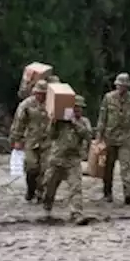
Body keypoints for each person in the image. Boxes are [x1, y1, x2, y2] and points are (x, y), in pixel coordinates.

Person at [43, 94, 92, 223]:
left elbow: (87, 136)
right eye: (75, 107)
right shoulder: (61, 121)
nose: (77, 110)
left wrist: (75, 123)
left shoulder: (84, 122)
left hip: (73, 160)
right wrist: (52, 123)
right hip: (57, 158)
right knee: (49, 185)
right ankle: (47, 205)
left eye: (80, 108)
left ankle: (76, 213)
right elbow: (50, 135)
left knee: (76, 187)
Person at [97, 72, 130, 204]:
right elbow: (102, 117)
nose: (121, 88)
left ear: (127, 87)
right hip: (109, 137)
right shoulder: (108, 98)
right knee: (107, 167)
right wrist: (99, 135)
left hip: (125, 137)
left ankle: (128, 194)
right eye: (119, 85)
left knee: (125, 166)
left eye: (123, 86)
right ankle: (107, 193)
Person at [10, 79, 51, 203]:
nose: (41, 96)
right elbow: (19, 123)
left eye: (43, 93)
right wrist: (16, 139)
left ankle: (40, 193)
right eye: (38, 93)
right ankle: (31, 190)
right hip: (31, 141)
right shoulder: (26, 105)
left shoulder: (52, 104)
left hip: (47, 141)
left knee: (45, 169)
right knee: (31, 167)